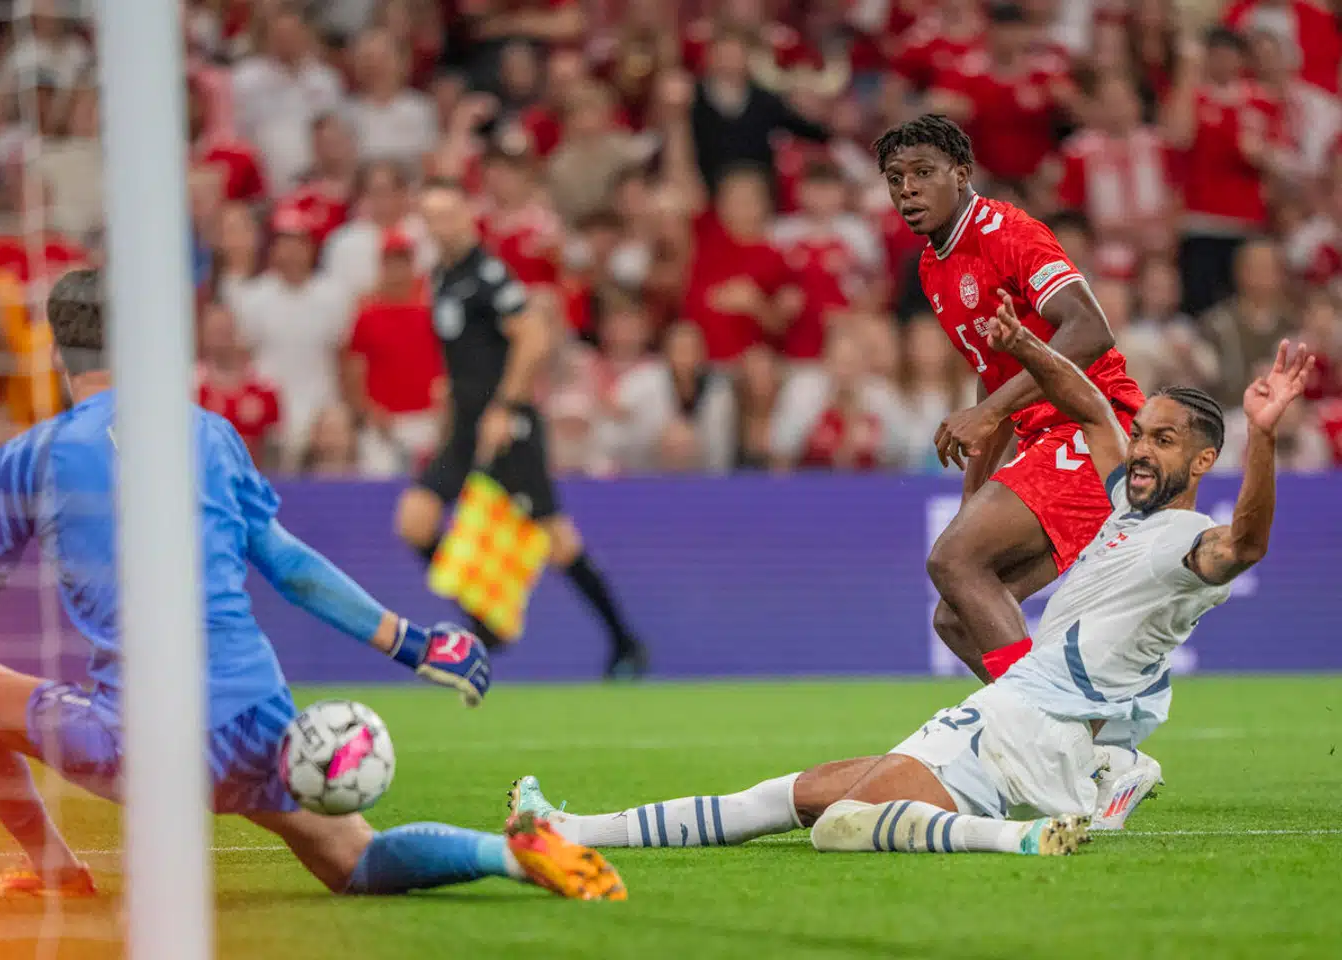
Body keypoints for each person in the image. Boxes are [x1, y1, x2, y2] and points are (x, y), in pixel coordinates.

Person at [0, 269, 625, 902]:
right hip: (254, 723)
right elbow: (291, 566)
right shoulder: (210, 435)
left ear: (55, 351)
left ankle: (55, 870)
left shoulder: (30, 456)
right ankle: (507, 852)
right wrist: (413, 644)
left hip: (141, 744)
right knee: (358, 860)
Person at [508, 300, 1311, 855]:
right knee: (817, 800)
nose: (1142, 450)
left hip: (1029, 727)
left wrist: (1265, 440)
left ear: (1205, 460)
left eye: (1165, 442)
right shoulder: (1125, 508)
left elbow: (1244, 542)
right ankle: (574, 829)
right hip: (1012, 718)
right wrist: (1025, 350)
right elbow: (1093, 410)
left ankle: (1029, 832)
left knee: (827, 804)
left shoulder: (1186, 541)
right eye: (1145, 435)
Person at [876, 114, 1147, 685]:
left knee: (953, 560)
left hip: (1097, 431)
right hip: (1043, 442)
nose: (907, 189)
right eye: (895, 178)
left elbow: (1091, 328)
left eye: (923, 173)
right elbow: (990, 375)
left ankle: (1048, 738)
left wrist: (992, 410)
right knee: (955, 617)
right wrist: (972, 499)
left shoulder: (1009, 232)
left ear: (961, 172)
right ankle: (1078, 746)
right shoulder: (932, 265)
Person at [393, 179, 648, 678]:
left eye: (447, 212)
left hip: (507, 426)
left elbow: (532, 337)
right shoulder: (443, 276)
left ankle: (626, 643)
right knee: (414, 521)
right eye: (429, 215)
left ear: (468, 214)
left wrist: (505, 407)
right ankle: (486, 622)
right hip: (467, 427)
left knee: (557, 542)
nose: (438, 224)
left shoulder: (488, 273)